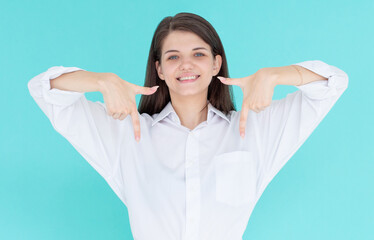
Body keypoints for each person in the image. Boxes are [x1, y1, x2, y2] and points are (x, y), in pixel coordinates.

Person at [27, 12, 349, 240]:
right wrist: (100, 81)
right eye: (173, 57)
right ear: (160, 69)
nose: (186, 65)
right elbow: (43, 89)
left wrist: (277, 75)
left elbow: (334, 83)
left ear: (216, 63)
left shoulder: (254, 132)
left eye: (198, 53)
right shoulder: (128, 135)